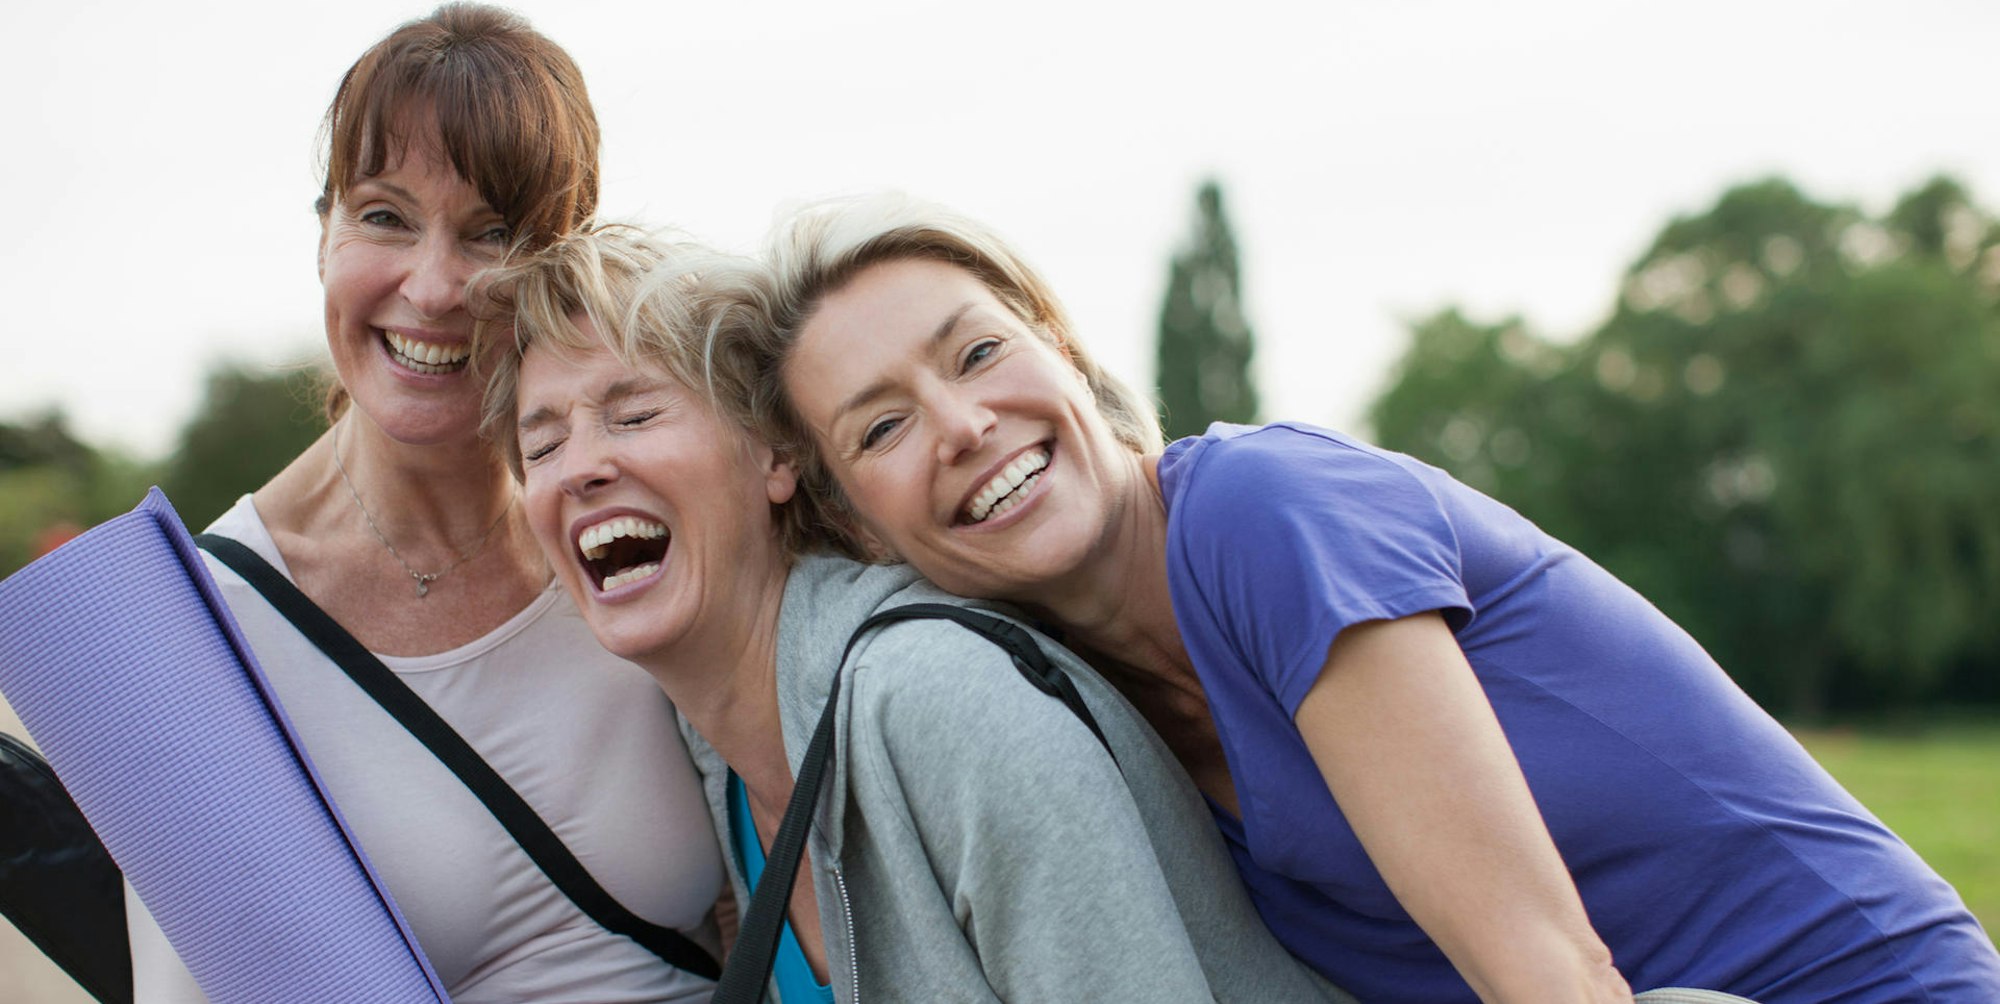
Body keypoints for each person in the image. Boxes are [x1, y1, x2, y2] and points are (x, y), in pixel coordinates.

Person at [736, 193, 2000, 1004]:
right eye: (884, 422)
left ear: (1061, 349)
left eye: (976, 351)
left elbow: (1549, 976)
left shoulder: (1263, 514)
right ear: (850, 515)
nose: (961, 424)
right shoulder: (1063, 699)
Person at [475, 223, 1352, 1003]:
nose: (577, 468)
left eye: (633, 414)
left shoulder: (939, 700)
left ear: (776, 455)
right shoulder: (724, 767)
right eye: (541, 445)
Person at [124, 8, 723, 1002]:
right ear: (324, 232)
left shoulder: (628, 537)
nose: (435, 285)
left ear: (559, 264)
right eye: (386, 215)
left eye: (491, 233)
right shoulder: (201, 632)